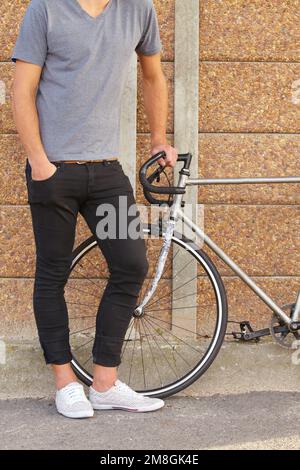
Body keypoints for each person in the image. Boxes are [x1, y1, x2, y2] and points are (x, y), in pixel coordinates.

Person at [11, 0, 178, 419]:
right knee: (53, 272)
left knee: (130, 264)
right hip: (54, 172)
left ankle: (104, 383)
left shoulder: (138, 9)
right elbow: (21, 89)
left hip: (106, 172)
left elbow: (153, 75)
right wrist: (40, 163)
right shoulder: (45, 9)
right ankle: (65, 382)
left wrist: (159, 137)